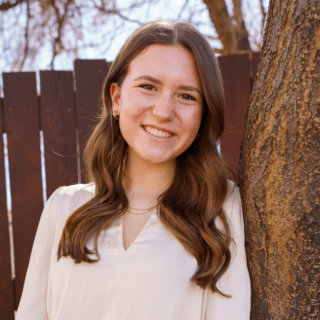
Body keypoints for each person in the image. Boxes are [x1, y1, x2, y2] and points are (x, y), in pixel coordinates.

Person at [15, 20, 251, 320]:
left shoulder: (220, 208)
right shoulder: (64, 207)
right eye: (148, 87)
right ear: (116, 98)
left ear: (203, 113)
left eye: (187, 95)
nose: (164, 111)